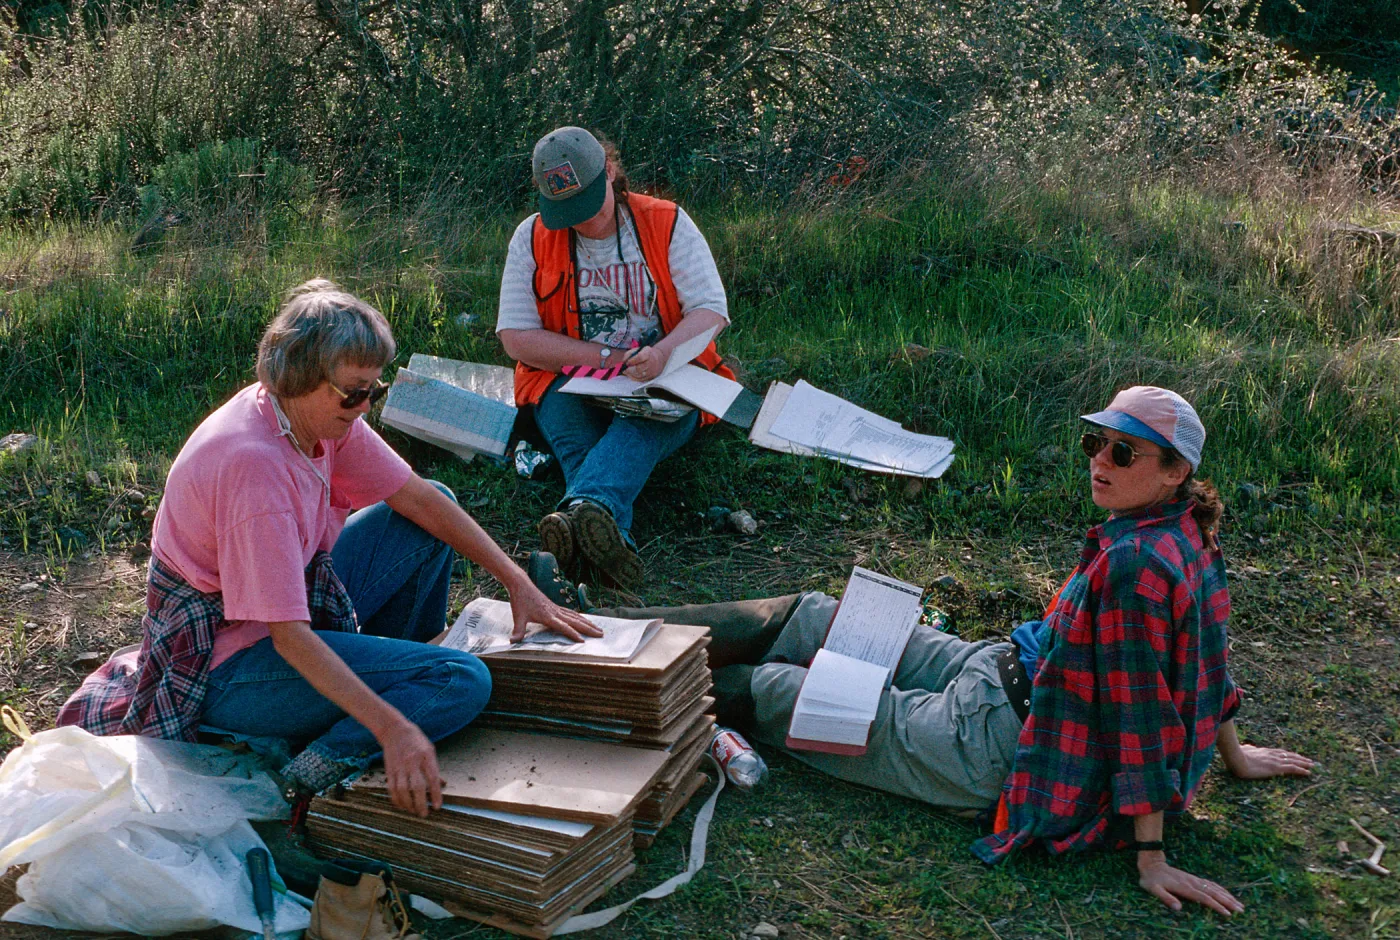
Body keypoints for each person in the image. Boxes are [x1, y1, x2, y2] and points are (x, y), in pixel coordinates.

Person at [532, 386, 1314, 914]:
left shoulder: (1143, 564)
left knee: (774, 687)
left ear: (1177, 472)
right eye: (1095, 444)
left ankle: (590, 675)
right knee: (810, 616)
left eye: (1123, 454)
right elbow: (1208, 668)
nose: (1098, 464)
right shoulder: (1182, 535)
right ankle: (601, 628)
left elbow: (1147, 713)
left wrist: (1150, 856)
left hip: (989, 747)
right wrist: (1235, 758)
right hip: (990, 664)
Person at [58, 279, 598, 818]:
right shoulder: (254, 469)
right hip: (224, 666)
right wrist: (394, 728)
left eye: (374, 392)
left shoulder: (311, 416)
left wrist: (517, 582)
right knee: (459, 681)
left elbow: (419, 501)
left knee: (435, 500)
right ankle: (314, 766)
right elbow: (290, 639)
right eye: (355, 393)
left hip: (277, 614)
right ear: (299, 376)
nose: (365, 407)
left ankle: (392, 676)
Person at [496, 126, 734, 587]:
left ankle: (580, 522)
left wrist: (663, 353)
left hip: (665, 380)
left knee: (646, 423)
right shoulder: (530, 236)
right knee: (577, 439)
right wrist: (606, 358)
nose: (581, 223)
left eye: (587, 206)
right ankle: (601, 525)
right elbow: (516, 338)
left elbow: (711, 310)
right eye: (566, 213)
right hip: (567, 382)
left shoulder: (665, 221)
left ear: (609, 171)